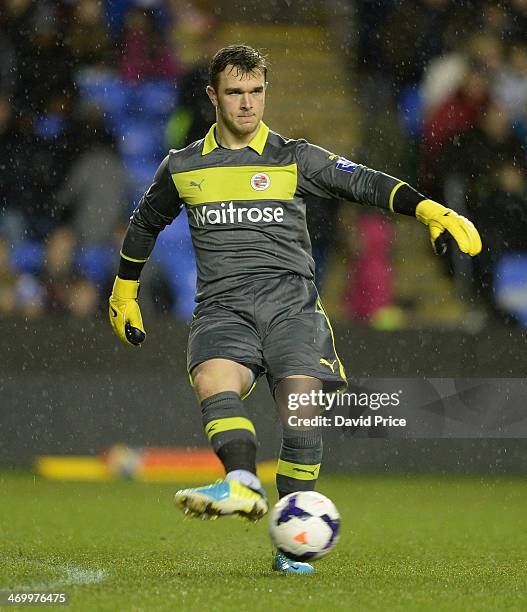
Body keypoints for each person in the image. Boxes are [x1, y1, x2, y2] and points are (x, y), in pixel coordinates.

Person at [108, 45, 482, 574]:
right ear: (213, 96)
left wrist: (425, 207)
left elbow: (362, 182)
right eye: (235, 93)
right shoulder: (184, 166)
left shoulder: (293, 157)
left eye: (256, 91)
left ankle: (290, 549)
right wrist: (124, 291)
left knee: (302, 411)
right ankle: (240, 482)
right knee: (215, 380)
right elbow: (145, 222)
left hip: (291, 308)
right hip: (223, 307)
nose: (247, 104)